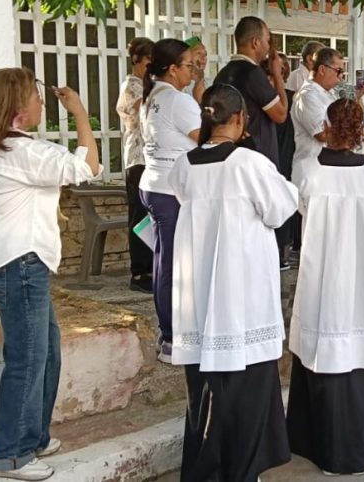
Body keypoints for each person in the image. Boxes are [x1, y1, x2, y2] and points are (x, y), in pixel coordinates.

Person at [0, 68, 101, 481]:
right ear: (18, 110)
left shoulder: (6, 148)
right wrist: (79, 112)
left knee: (46, 350)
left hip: (14, 263)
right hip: (18, 264)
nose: (42, 102)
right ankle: (8, 455)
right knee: (27, 358)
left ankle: (33, 437)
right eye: (36, 96)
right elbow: (89, 167)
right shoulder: (21, 151)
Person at [168, 84, 296, 482]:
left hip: (199, 293)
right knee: (247, 392)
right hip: (242, 294)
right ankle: (242, 472)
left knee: (204, 393)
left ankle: (205, 471)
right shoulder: (249, 163)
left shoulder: (184, 164)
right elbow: (280, 208)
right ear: (240, 119)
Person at [287, 99, 364, 475]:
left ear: (326, 127)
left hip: (323, 281)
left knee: (325, 353)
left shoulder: (307, 172)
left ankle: (322, 446)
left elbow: (302, 212)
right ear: (360, 131)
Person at [140, 38, 201, 363]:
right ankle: (172, 338)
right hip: (170, 189)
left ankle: (170, 333)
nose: (193, 70)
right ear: (173, 69)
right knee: (172, 265)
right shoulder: (177, 100)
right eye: (189, 65)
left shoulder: (153, 97)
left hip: (155, 185)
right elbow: (207, 138)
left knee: (163, 260)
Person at [212, 16, 289, 168]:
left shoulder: (223, 73)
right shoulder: (253, 73)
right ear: (255, 42)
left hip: (232, 156)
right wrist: (277, 74)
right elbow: (281, 115)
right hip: (257, 157)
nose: (268, 47)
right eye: (267, 41)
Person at [115, 36, 155, 294]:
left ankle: (151, 267)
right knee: (139, 214)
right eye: (148, 61)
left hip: (149, 158)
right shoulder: (131, 85)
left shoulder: (147, 84)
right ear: (137, 60)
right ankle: (139, 271)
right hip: (137, 158)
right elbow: (142, 112)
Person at [290, 47, 345, 173]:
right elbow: (322, 135)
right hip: (312, 169)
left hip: (327, 167)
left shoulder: (331, 93)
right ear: (322, 70)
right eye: (338, 71)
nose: (341, 77)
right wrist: (348, 126)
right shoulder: (307, 95)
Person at [183, 37, 209, 103]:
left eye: (205, 54)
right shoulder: (181, 86)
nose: (203, 58)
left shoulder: (211, 83)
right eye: (198, 53)